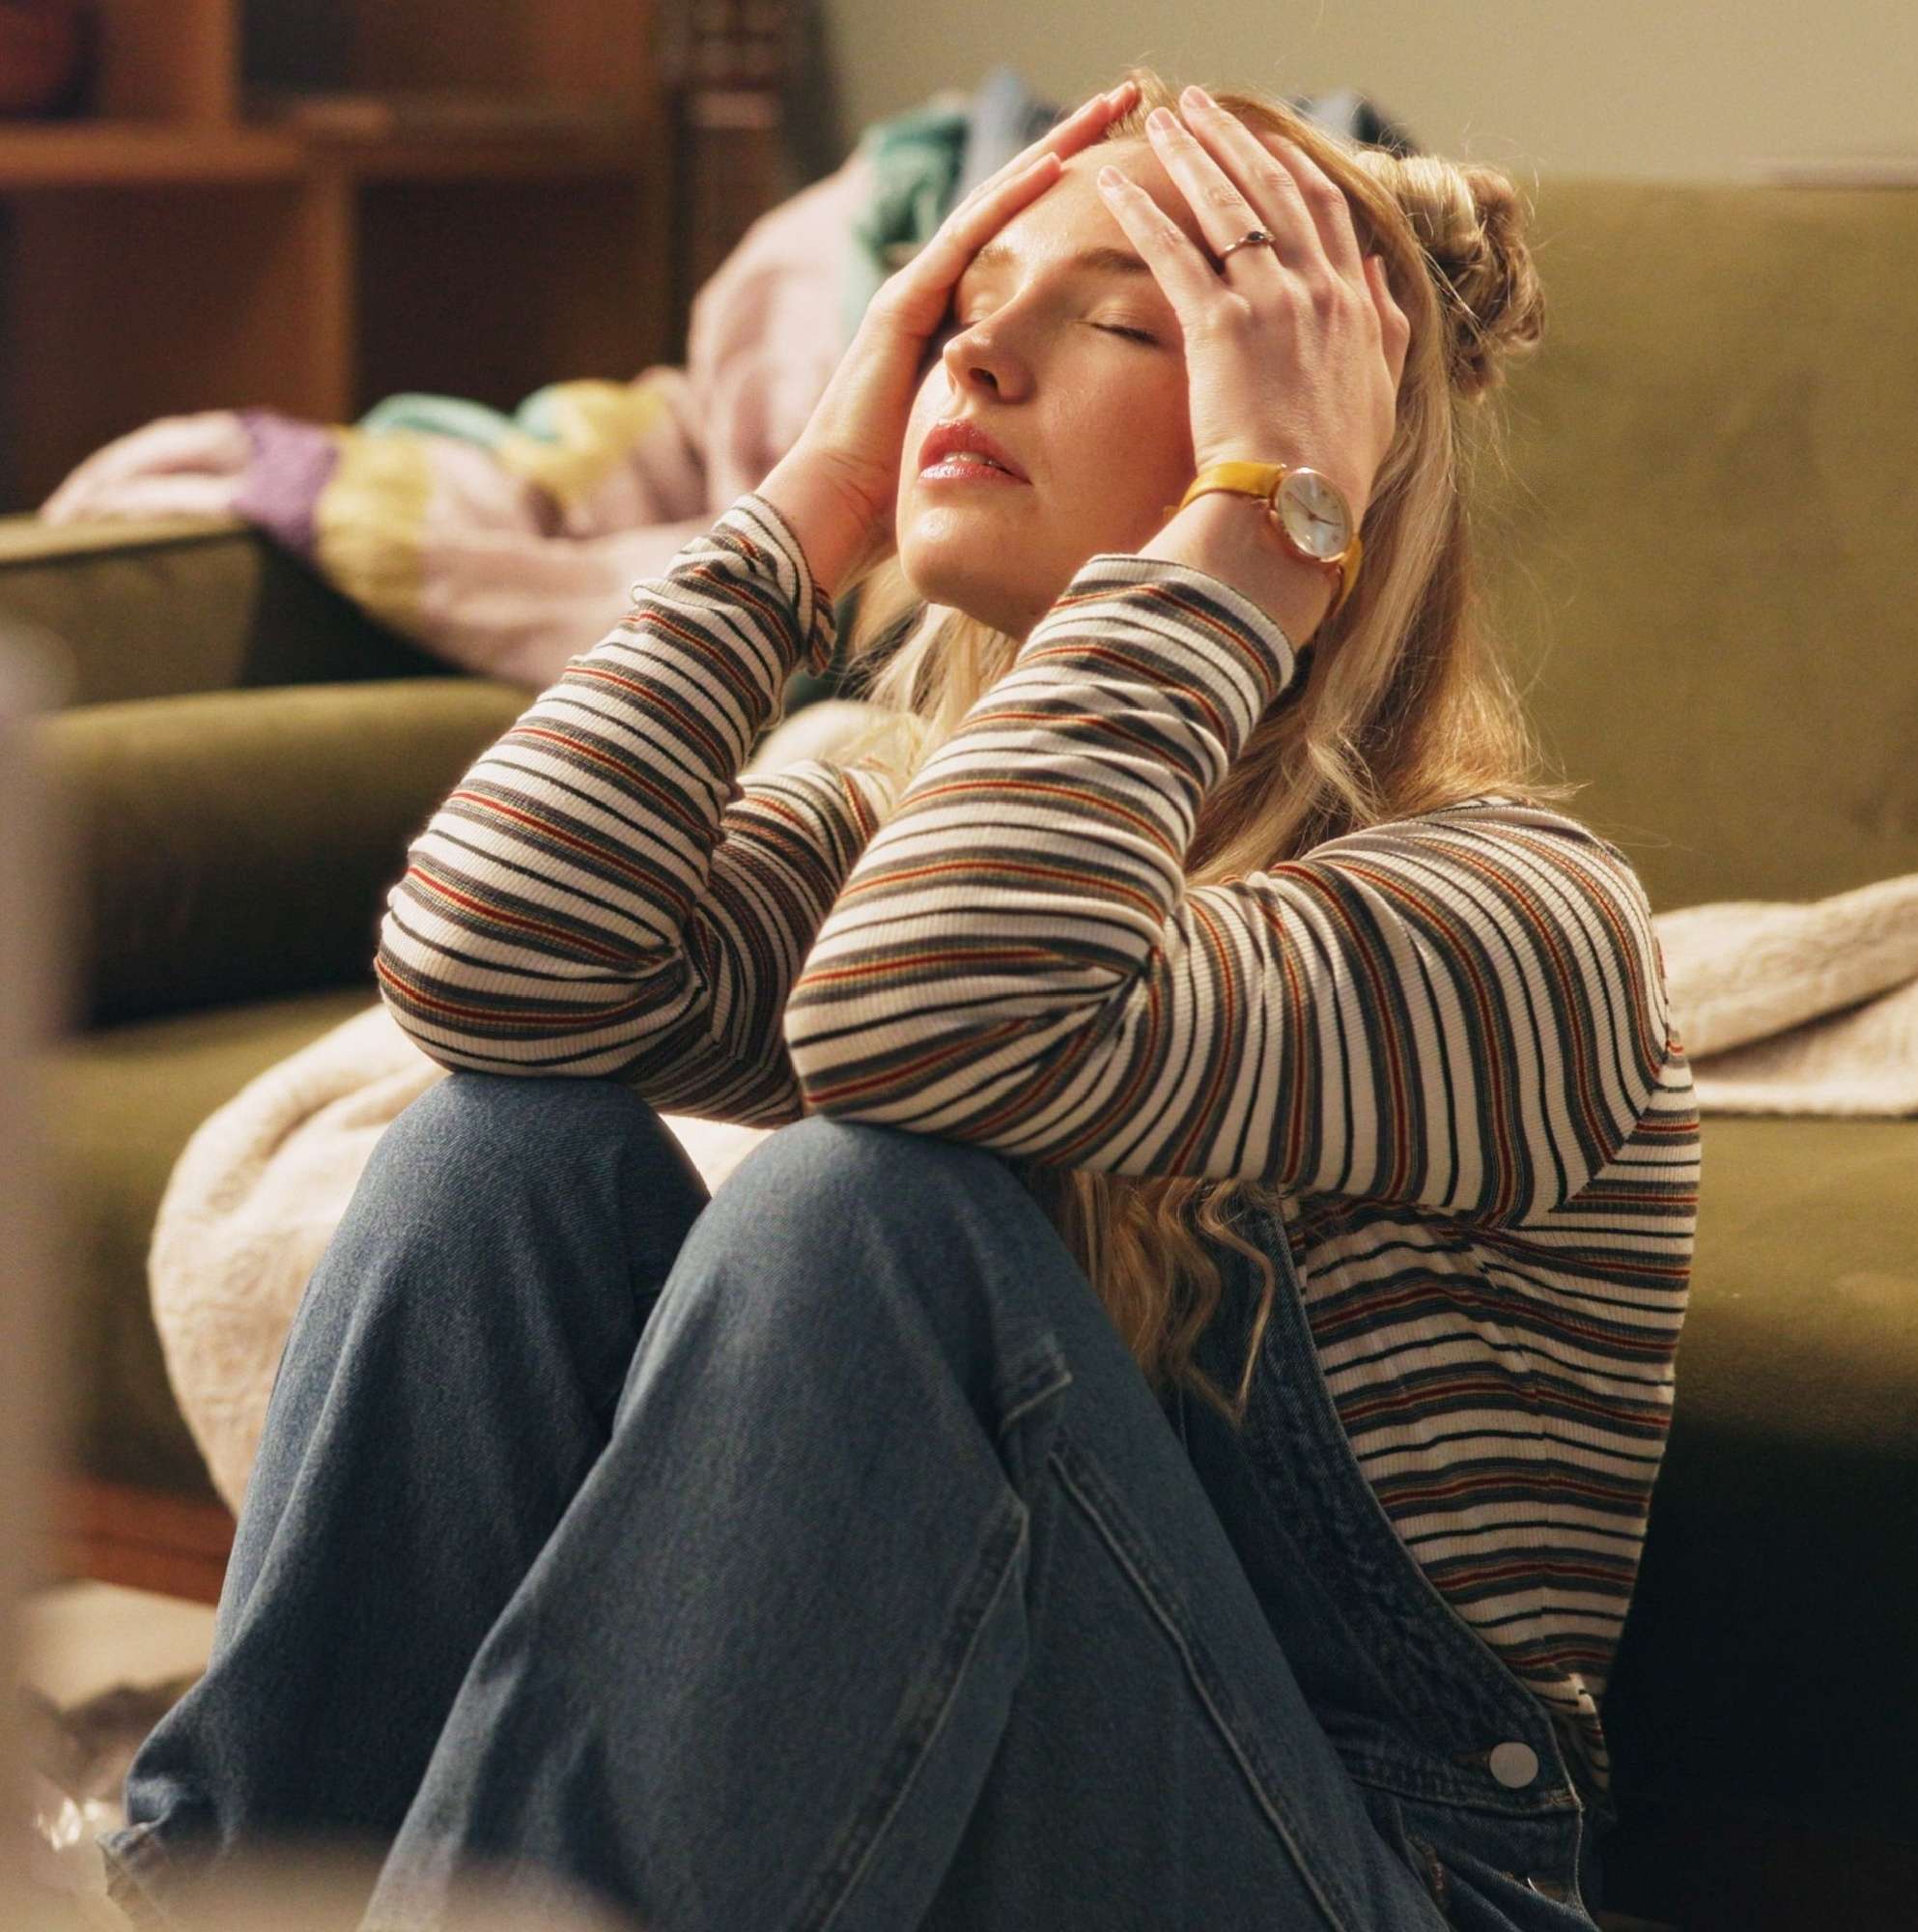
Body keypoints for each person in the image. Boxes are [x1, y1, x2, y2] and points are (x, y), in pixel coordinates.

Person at [99, 64, 1698, 1932]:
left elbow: (928, 1026)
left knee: (865, 1209)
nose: (977, 363)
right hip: (969, 1810)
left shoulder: (1514, 925)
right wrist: (808, 505)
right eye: (954, 315)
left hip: (1372, 1875)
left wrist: (1269, 530)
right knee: (496, 1155)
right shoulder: (898, 812)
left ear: (1320, 443)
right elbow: (487, 975)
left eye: (1108, 320)